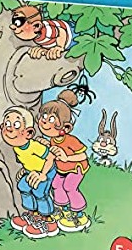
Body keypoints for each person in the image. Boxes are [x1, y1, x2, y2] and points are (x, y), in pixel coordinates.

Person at [36, 90, 92, 232]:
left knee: (69, 187)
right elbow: (52, 154)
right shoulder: (53, 140)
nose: (44, 122)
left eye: (51, 119)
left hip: (76, 168)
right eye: (44, 116)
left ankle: (79, 214)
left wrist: (67, 158)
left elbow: (83, 156)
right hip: (62, 169)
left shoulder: (71, 140)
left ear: (65, 127)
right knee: (56, 184)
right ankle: (64, 209)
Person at [0, 106, 58, 239]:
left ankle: (48, 220)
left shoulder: (34, 146)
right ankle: (32, 214)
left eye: (16, 125)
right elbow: (29, 161)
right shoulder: (17, 147)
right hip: (31, 171)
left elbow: (50, 157)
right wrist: (25, 170)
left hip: (46, 170)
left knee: (39, 192)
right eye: (7, 124)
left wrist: (42, 175)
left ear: (28, 133)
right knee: (23, 186)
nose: (9, 128)